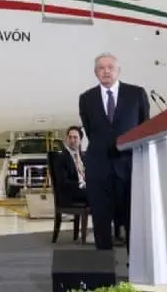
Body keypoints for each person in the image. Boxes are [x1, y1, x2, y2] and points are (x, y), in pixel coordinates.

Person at [78, 52, 150, 252]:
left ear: (119, 70)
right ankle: (104, 270)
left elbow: (144, 128)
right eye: (101, 68)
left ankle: (136, 269)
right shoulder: (86, 98)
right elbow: (92, 132)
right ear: (95, 73)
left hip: (129, 167)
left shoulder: (136, 94)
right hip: (99, 169)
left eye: (110, 67)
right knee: (101, 221)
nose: (106, 71)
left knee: (132, 220)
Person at [54, 126, 88, 205]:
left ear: (80, 140)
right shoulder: (61, 158)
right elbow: (63, 182)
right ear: (66, 139)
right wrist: (82, 185)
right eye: (70, 137)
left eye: (75, 137)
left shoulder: (84, 157)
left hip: (84, 191)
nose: (72, 140)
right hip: (69, 194)